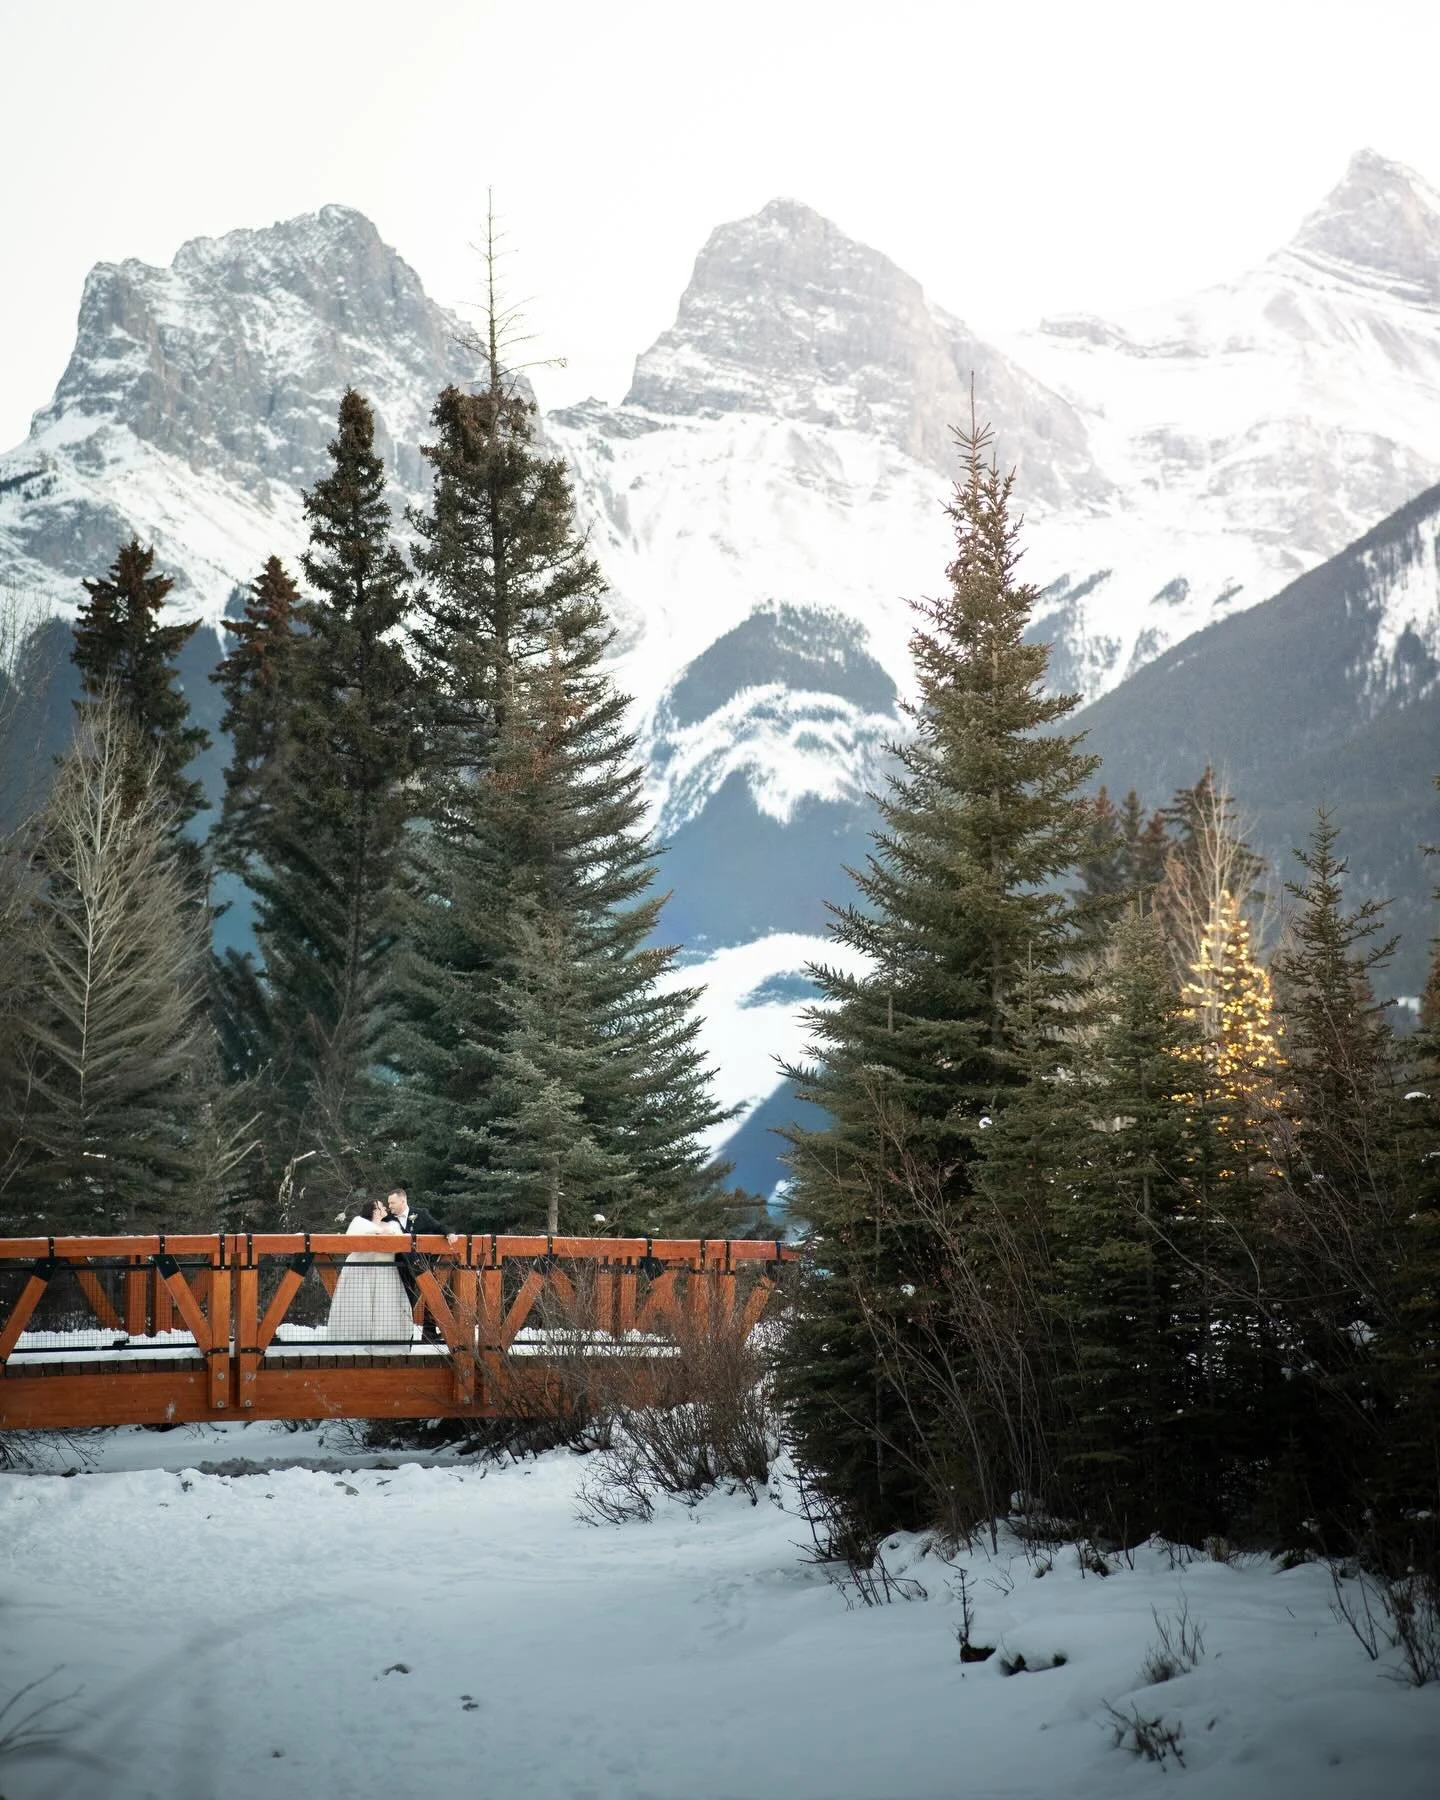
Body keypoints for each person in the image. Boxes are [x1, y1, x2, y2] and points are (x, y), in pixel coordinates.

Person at [324, 1198, 414, 1344]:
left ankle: (385, 1341)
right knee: (359, 1305)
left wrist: (386, 1232)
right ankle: (355, 1341)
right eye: (381, 1206)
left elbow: (399, 1242)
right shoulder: (359, 1223)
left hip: (386, 1272)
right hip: (361, 1271)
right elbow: (352, 1240)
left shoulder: (392, 1225)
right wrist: (380, 1232)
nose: (385, 1207)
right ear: (374, 1211)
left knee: (384, 1306)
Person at [384, 1185, 459, 1343]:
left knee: (430, 1295)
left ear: (403, 1200)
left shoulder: (420, 1214)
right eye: (389, 1203)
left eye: (392, 1203)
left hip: (422, 1264)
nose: (389, 1206)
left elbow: (438, 1227)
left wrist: (449, 1233)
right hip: (399, 1266)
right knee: (405, 1298)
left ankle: (429, 1333)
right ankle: (403, 1334)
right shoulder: (387, 1219)